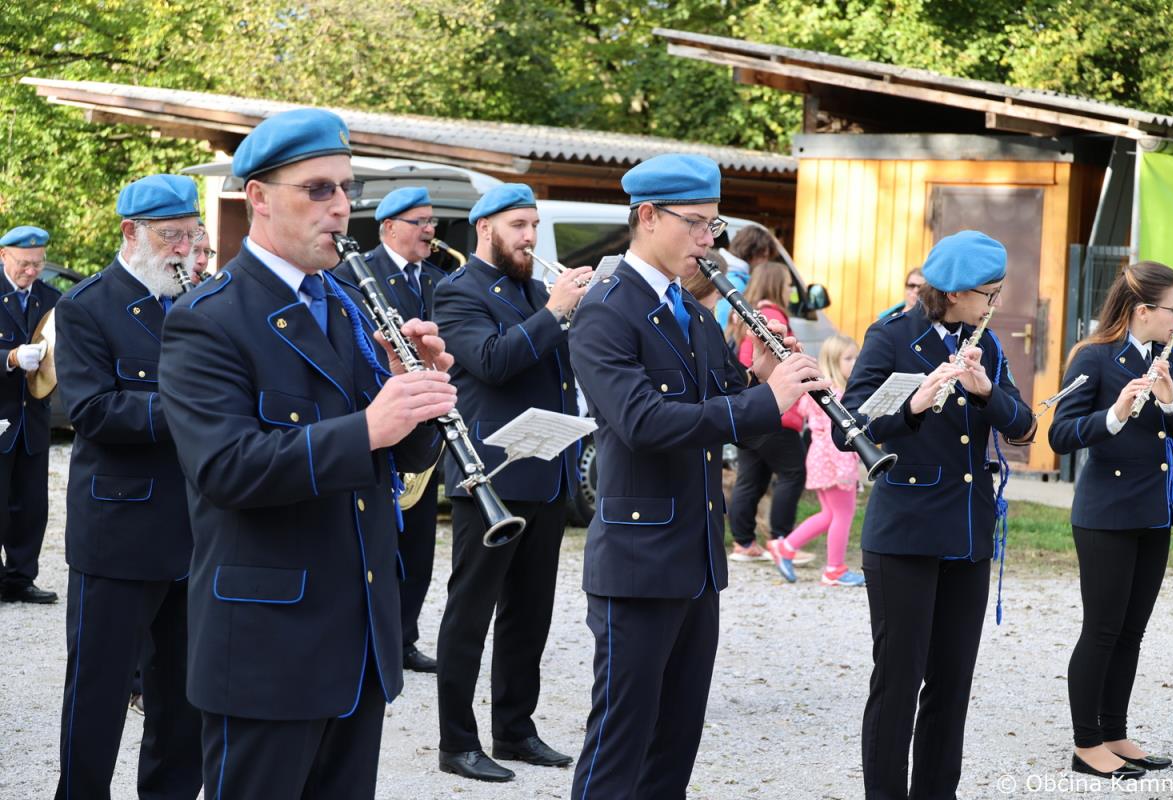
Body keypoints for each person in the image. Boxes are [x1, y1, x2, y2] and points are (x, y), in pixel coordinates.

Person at [158, 108, 455, 798]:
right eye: (318, 189)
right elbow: (225, 469)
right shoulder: (208, 319)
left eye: (347, 189)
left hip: (357, 639)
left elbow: (398, 457)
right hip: (267, 649)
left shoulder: (348, 303)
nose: (341, 207)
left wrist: (422, 395)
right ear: (258, 197)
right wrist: (368, 428)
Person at [568, 153, 826, 799]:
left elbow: (731, 409)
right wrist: (764, 399)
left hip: (695, 557)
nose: (709, 241)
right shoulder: (607, 309)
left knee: (676, 739)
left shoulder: (691, 311)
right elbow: (643, 422)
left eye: (714, 225)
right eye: (697, 223)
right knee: (620, 739)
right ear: (648, 217)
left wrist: (769, 379)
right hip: (637, 559)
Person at [839, 230, 1034, 800]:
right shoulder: (892, 335)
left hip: (967, 533)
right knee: (897, 684)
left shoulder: (986, 344)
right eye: (989, 294)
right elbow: (849, 423)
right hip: (904, 533)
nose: (995, 303)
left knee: (951, 686)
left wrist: (985, 391)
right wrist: (914, 404)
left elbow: (1024, 427)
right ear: (953, 294)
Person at [432, 183, 590, 783]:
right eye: (518, 225)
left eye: (534, 225)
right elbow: (493, 362)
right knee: (470, 612)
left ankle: (515, 729)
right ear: (485, 228)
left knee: (530, 613)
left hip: (544, 470)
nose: (530, 237)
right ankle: (456, 742)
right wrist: (554, 313)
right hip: (490, 476)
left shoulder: (536, 291)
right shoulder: (458, 291)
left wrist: (578, 312)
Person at [52, 175, 204, 799]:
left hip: (198, 530)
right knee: (100, 690)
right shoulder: (86, 305)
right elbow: (92, 411)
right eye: (171, 236)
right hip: (120, 533)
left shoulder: (202, 301)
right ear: (130, 233)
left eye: (192, 235)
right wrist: (197, 410)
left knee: (184, 697)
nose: (184, 249)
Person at [1048, 261, 1173, 780]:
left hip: (1154, 513)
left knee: (1132, 632)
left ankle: (1114, 732)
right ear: (1143, 311)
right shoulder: (1093, 357)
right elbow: (1061, 435)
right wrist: (1114, 414)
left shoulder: (1172, 361)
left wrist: (1171, 400)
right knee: (1103, 629)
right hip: (1106, 515)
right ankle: (1086, 743)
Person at [335, 185, 448, 674]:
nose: (429, 230)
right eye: (419, 222)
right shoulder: (355, 275)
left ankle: (404, 637)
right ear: (388, 228)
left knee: (420, 543)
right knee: (384, 542)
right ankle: (372, 635)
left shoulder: (440, 279)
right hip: (382, 415)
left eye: (431, 222)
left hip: (426, 422)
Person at [726, 261, 811, 563]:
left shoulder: (747, 315)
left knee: (752, 477)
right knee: (793, 472)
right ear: (777, 286)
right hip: (776, 410)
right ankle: (782, 541)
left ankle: (743, 542)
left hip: (752, 405)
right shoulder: (774, 317)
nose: (789, 291)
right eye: (787, 285)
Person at [767, 333, 865, 586]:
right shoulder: (837, 395)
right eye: (848, 358)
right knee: (843, 514)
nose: (855, 362)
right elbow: (837, 434)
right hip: (835, 459)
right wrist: (845, 468)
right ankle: (834, 569)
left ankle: (786, 547)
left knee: (830, 514)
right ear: (833, 361)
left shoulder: (823, 390)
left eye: (856, 357)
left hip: (821, 459)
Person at [0, 225, 58, 604]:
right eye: (24, 263)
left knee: (31, 505)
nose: (32, 271)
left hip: (33, 418)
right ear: (3, 256)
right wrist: (9, 357)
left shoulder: (50, 299)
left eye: (38, 263)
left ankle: (20, 578)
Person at [713, 224, 774, 328]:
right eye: (764, 256)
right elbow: (724, 326)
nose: (765, 262)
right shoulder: (736, 282)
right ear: (751, 251)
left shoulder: (729, 274)